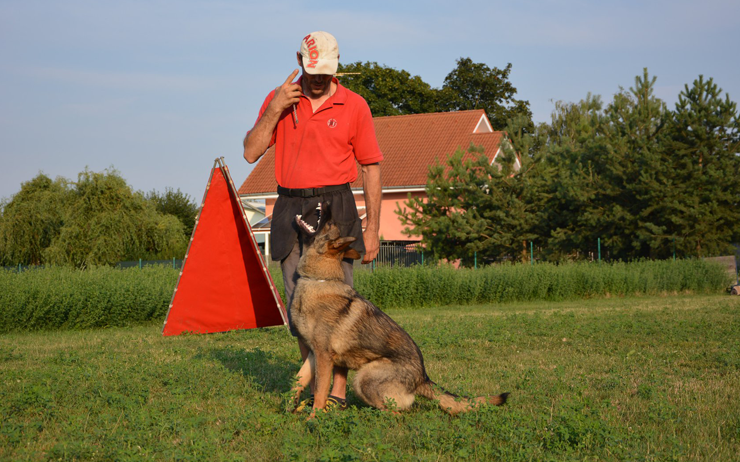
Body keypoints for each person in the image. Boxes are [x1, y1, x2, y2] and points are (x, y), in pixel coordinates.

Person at [243, 31, 383, 411]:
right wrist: (275, 108)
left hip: (337, 205)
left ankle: (337, 393)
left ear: (336, 67)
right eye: (312, 70)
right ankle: (312, 384)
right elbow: (251, 152)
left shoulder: (355, 105)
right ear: (298, 62)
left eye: (326, 71)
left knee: (338, 307)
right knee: (299, 308)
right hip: (290, 205)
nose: (318, 78)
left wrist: (372, 227)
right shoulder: (279, 100)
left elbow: (371, 167)